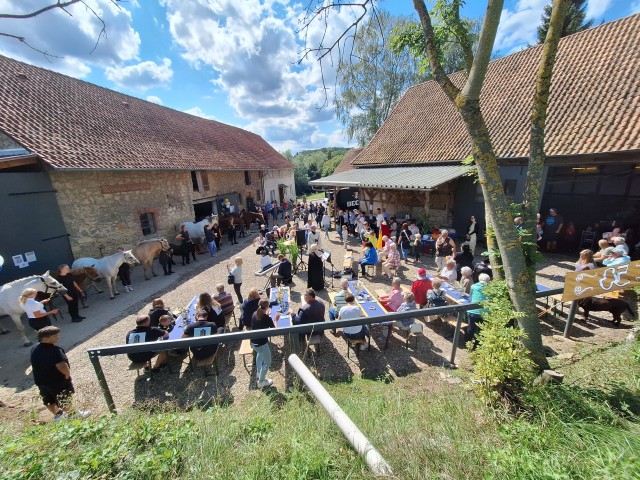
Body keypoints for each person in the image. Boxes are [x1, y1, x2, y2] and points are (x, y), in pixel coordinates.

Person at [30, 326, 89, 421]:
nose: (58, 337)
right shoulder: (54, 350)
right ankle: (74, 415)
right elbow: (61, 365)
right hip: (57, 380)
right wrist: (67, 374)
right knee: (64, 398)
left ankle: (58, 415)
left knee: (48, 399)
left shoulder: (35, 348)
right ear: (45, 338)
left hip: (41, 381)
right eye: (55, 336)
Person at [466, 273, 490, 347]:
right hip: (485, 312)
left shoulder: (473, 286)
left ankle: (467, 343)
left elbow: (470, 297)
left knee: (471, 328)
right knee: (481, 329)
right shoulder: (491, 288)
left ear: (479, 279)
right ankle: (477, 345)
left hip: (473, 311)